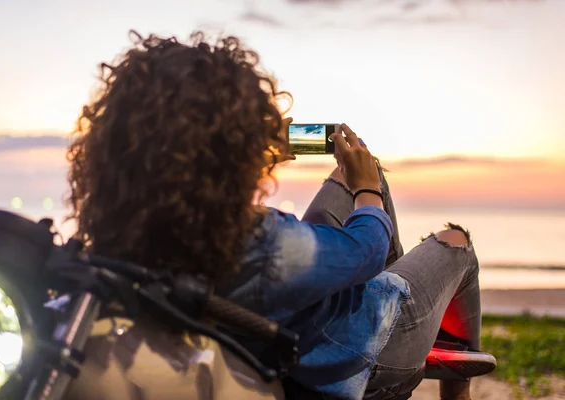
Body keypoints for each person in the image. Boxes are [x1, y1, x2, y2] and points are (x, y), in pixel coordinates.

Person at [65, 31, 495, 400]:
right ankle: (437, 374)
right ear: (226, 152)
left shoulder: (131, 234)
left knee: (367, 169)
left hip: (279, 323)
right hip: (349, 355)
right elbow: (369, 249)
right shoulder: (260, 242)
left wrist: (246, 152)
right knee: (456, 243)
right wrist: (364, 190)